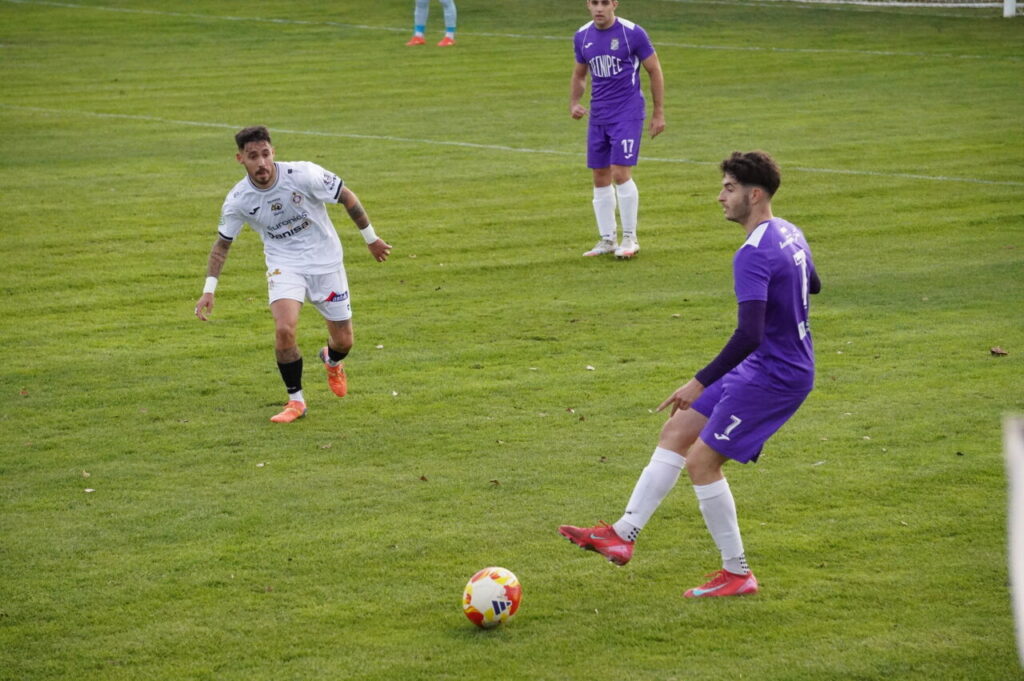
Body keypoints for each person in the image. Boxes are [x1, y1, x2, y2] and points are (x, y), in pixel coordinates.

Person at [559, 151, 821, 598]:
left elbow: (750, 334)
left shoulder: (752, 254)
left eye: (729, 189)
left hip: (776, 375)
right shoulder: (789, 232)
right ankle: (622, 534)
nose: (720, 197)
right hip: (765, 364)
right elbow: (813, 284)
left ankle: (738, 574)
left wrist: (698, 380)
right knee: (678, 429)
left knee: (702, 462)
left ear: (754, 195)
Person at [194, 126, 391, 423]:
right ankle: (295, 401)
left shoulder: (303, 175)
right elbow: (222, 245)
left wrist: (371, 239)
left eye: (264, 154)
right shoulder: (238, 200)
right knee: (285, 328)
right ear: (240, 159)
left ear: (273, 152)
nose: (260, 163)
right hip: (284, 264)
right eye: (252, 157)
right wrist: (209, 289)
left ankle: (332, 360)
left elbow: (347, 197)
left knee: (344, 342)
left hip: (326, 262)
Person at [571, 0, 665, 259]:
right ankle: (607, 239)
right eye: (594, 3)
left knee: (620, 172)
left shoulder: (632, 33)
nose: (599, 8)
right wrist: (575, 102)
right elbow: (580, 74)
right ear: (587, 5)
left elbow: (654, 70)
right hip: (598, 115)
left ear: (614, 3)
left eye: (604, 2)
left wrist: (658, 113)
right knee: (600, 176)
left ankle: (630, 237)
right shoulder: (582, 36)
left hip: (627, 113)